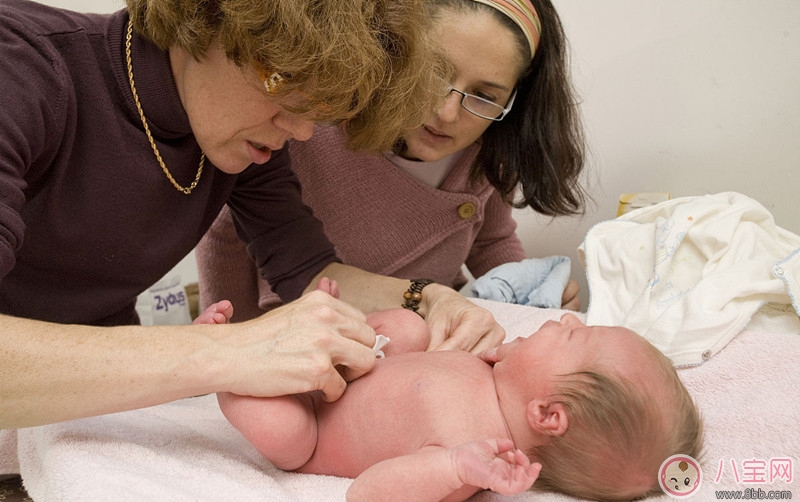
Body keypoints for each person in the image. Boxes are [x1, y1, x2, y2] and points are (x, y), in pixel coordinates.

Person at [0, 0, 507, 429]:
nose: (303, 130)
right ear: (211, 18)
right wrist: (227, 353)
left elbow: (309, 271)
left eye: (324, 105)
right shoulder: (22, 68)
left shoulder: (238, 138)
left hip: (90, 412)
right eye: (288, 85)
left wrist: (428, 297)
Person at [195, 0, 587, 323]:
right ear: (394, 50)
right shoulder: (306, 129)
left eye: (485, 95)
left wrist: (528, 294)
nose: (447, 112)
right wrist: (232, 346)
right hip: (309, 332)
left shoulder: (489, 151)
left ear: (513, 102)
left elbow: (491, 240)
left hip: (426, 337)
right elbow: (226, 232)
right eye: (432, 74)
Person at [215, 279, 704, 502]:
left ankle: (221, 358)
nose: (569, 318)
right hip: (351, 370)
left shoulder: (470, 459)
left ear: (547, 415)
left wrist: (451, 467)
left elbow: (367, 493)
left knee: (284, 430)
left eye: (576, 335)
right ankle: (325, 324)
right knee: (407, 327)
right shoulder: (497, 371)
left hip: (314, 430)